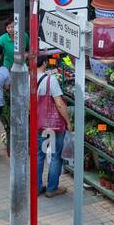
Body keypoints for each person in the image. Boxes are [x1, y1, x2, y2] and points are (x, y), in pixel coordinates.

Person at [35, 55, 71, 196]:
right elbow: (60, 104)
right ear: (44, 63)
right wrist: (68, 122)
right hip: (54, 127)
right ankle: (52, 188)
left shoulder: (28, 79)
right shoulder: (51, 80)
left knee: (40, 155)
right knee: (56, 155)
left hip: (40, 125)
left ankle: (37, 187)